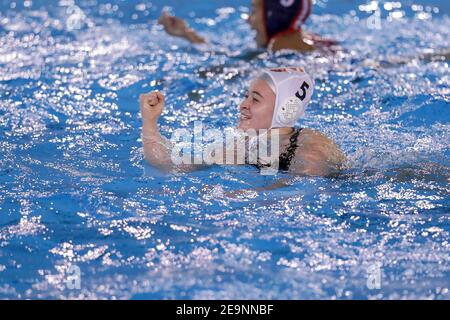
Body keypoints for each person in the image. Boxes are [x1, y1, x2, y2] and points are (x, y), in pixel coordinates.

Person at [140, 67, 346, 177]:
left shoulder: (312, 148)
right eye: (246, 96)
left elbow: (304, 192)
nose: (242, 105)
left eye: (255, 99)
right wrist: (150, 122)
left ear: (285, 109)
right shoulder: (243, 146)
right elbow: (169, 165)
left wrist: (247, 196)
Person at [158, 0, 338, 53]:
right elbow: (233, 57)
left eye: (253, 11)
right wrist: (186, 33)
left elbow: (233, 69)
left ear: (272, 15)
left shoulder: (281, 48)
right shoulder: (306, 40)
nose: (248, 20)